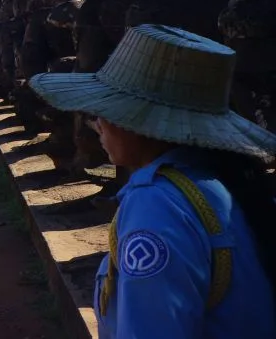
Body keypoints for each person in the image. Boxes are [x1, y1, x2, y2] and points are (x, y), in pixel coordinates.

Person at [29, 24, 276, 339]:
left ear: (141, 121)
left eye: (105, 110)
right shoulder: (227, 182)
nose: (97, 124)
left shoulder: (159, 207)